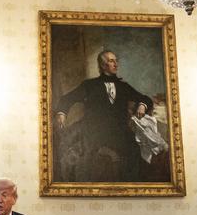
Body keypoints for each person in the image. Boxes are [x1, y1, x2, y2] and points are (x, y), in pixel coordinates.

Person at [53, 49, 154, 182]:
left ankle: (131, 188)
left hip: (118, 131)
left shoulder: (124, 86)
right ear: (103, 65)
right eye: (112, 61)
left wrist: (142, 105)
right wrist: (62, 113)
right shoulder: (89, 85)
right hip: (94, 131)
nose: (116, 64)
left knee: (133, 151)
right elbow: (67, 99)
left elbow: (145, 99)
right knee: (87, 159)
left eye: (116, 61)